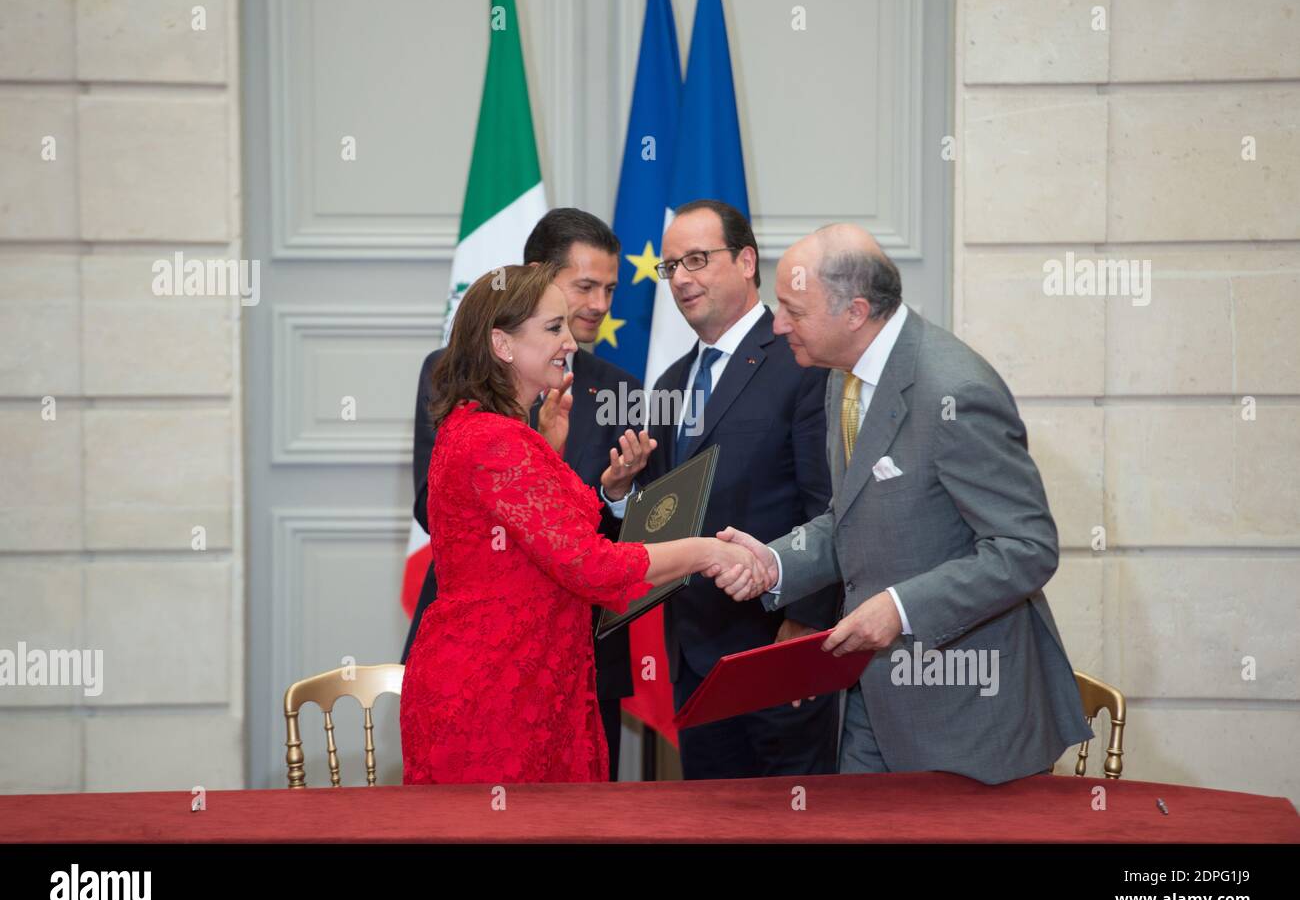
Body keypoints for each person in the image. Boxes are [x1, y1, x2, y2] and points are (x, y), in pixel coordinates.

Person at [714, 224, 1093, 784]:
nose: (777, 324)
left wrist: (899, 608)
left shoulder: (954, 390)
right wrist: (775, 563)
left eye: (794, 309)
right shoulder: (839, 377)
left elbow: (1026, 548)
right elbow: (851, 516)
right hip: (875, 702)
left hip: (970, 716)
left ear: (855, 311)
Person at [400, 263, 765, 785]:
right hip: (496, 694)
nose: (570, 342)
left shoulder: (491, 430)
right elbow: (592, 566)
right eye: (553, 328)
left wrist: (549, 449)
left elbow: (535, 543)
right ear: (502, 345)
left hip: (531, 679)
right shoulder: (493, 440)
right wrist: (708, 552)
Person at [604, 200, 841, 780]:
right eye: (670, 267)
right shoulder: (670, 382)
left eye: (697, 260)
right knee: (712, 827)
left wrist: (804, 627)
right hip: (695, 659)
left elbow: (828, 503)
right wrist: (618, 494)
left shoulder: (802, 362)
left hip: (775, 646)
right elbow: (662, 515)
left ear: (745, 261)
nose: (681, 278)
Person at [404, 208, 644, 779]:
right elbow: (435, 507)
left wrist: (611, 495)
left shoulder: (622, 388)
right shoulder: (450, 376)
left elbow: (623, 524)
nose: (598, 305)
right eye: (584, 286)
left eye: (610, 289)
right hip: (487, 656)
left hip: (577, 650)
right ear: (537, 276)